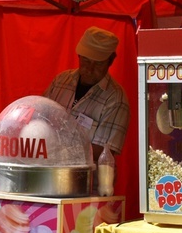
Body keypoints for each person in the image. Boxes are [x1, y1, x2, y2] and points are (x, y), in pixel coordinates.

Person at [43, 26, 130, 161]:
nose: (90, 68)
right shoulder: (61, 81)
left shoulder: (115, 98)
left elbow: (104, 151)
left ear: (110, 61)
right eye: (86, 60)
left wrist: (56, 149)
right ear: (79, 56)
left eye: (98, 63)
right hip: (49, 170)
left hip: (85, 178)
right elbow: (41, 118)